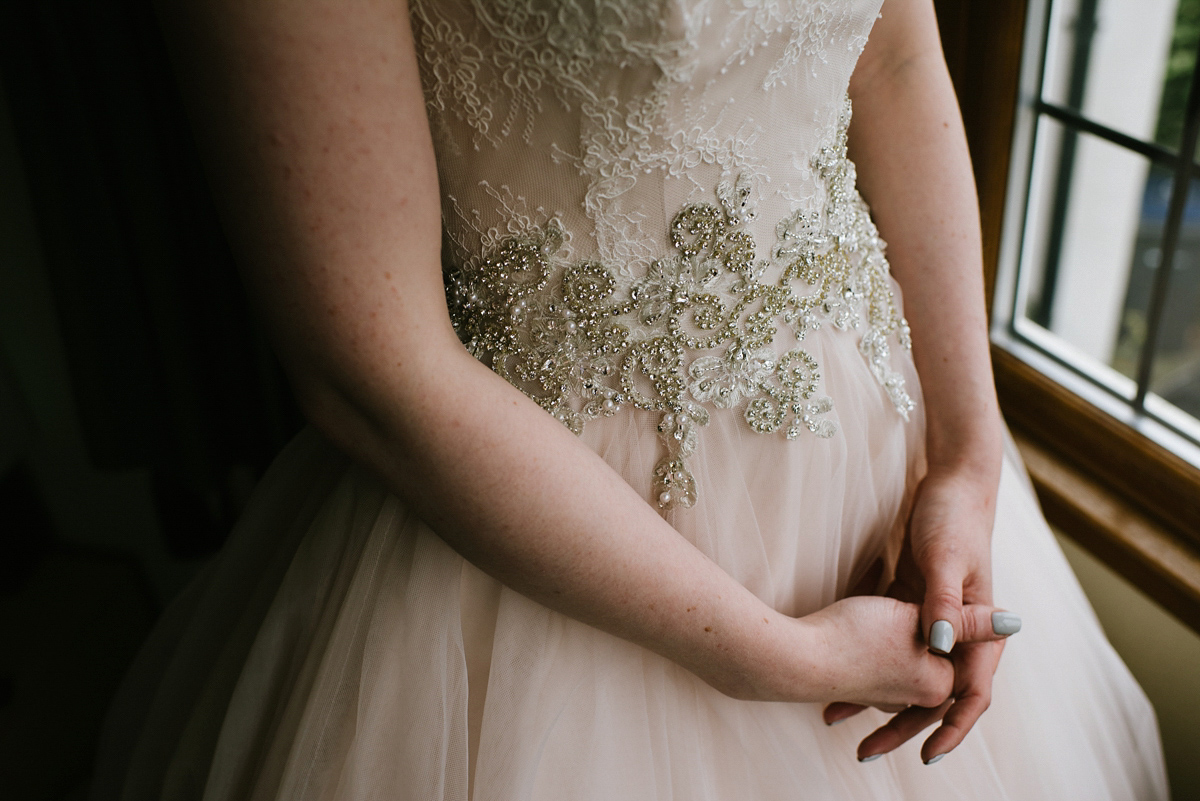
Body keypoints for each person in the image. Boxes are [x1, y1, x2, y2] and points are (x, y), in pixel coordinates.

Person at [90, 0, 1169, 798]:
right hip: (537, 516)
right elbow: (370, 367)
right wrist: (772, 657)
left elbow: (892, 58)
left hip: (876, 455)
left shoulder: (945, 464)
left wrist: (968, 455)